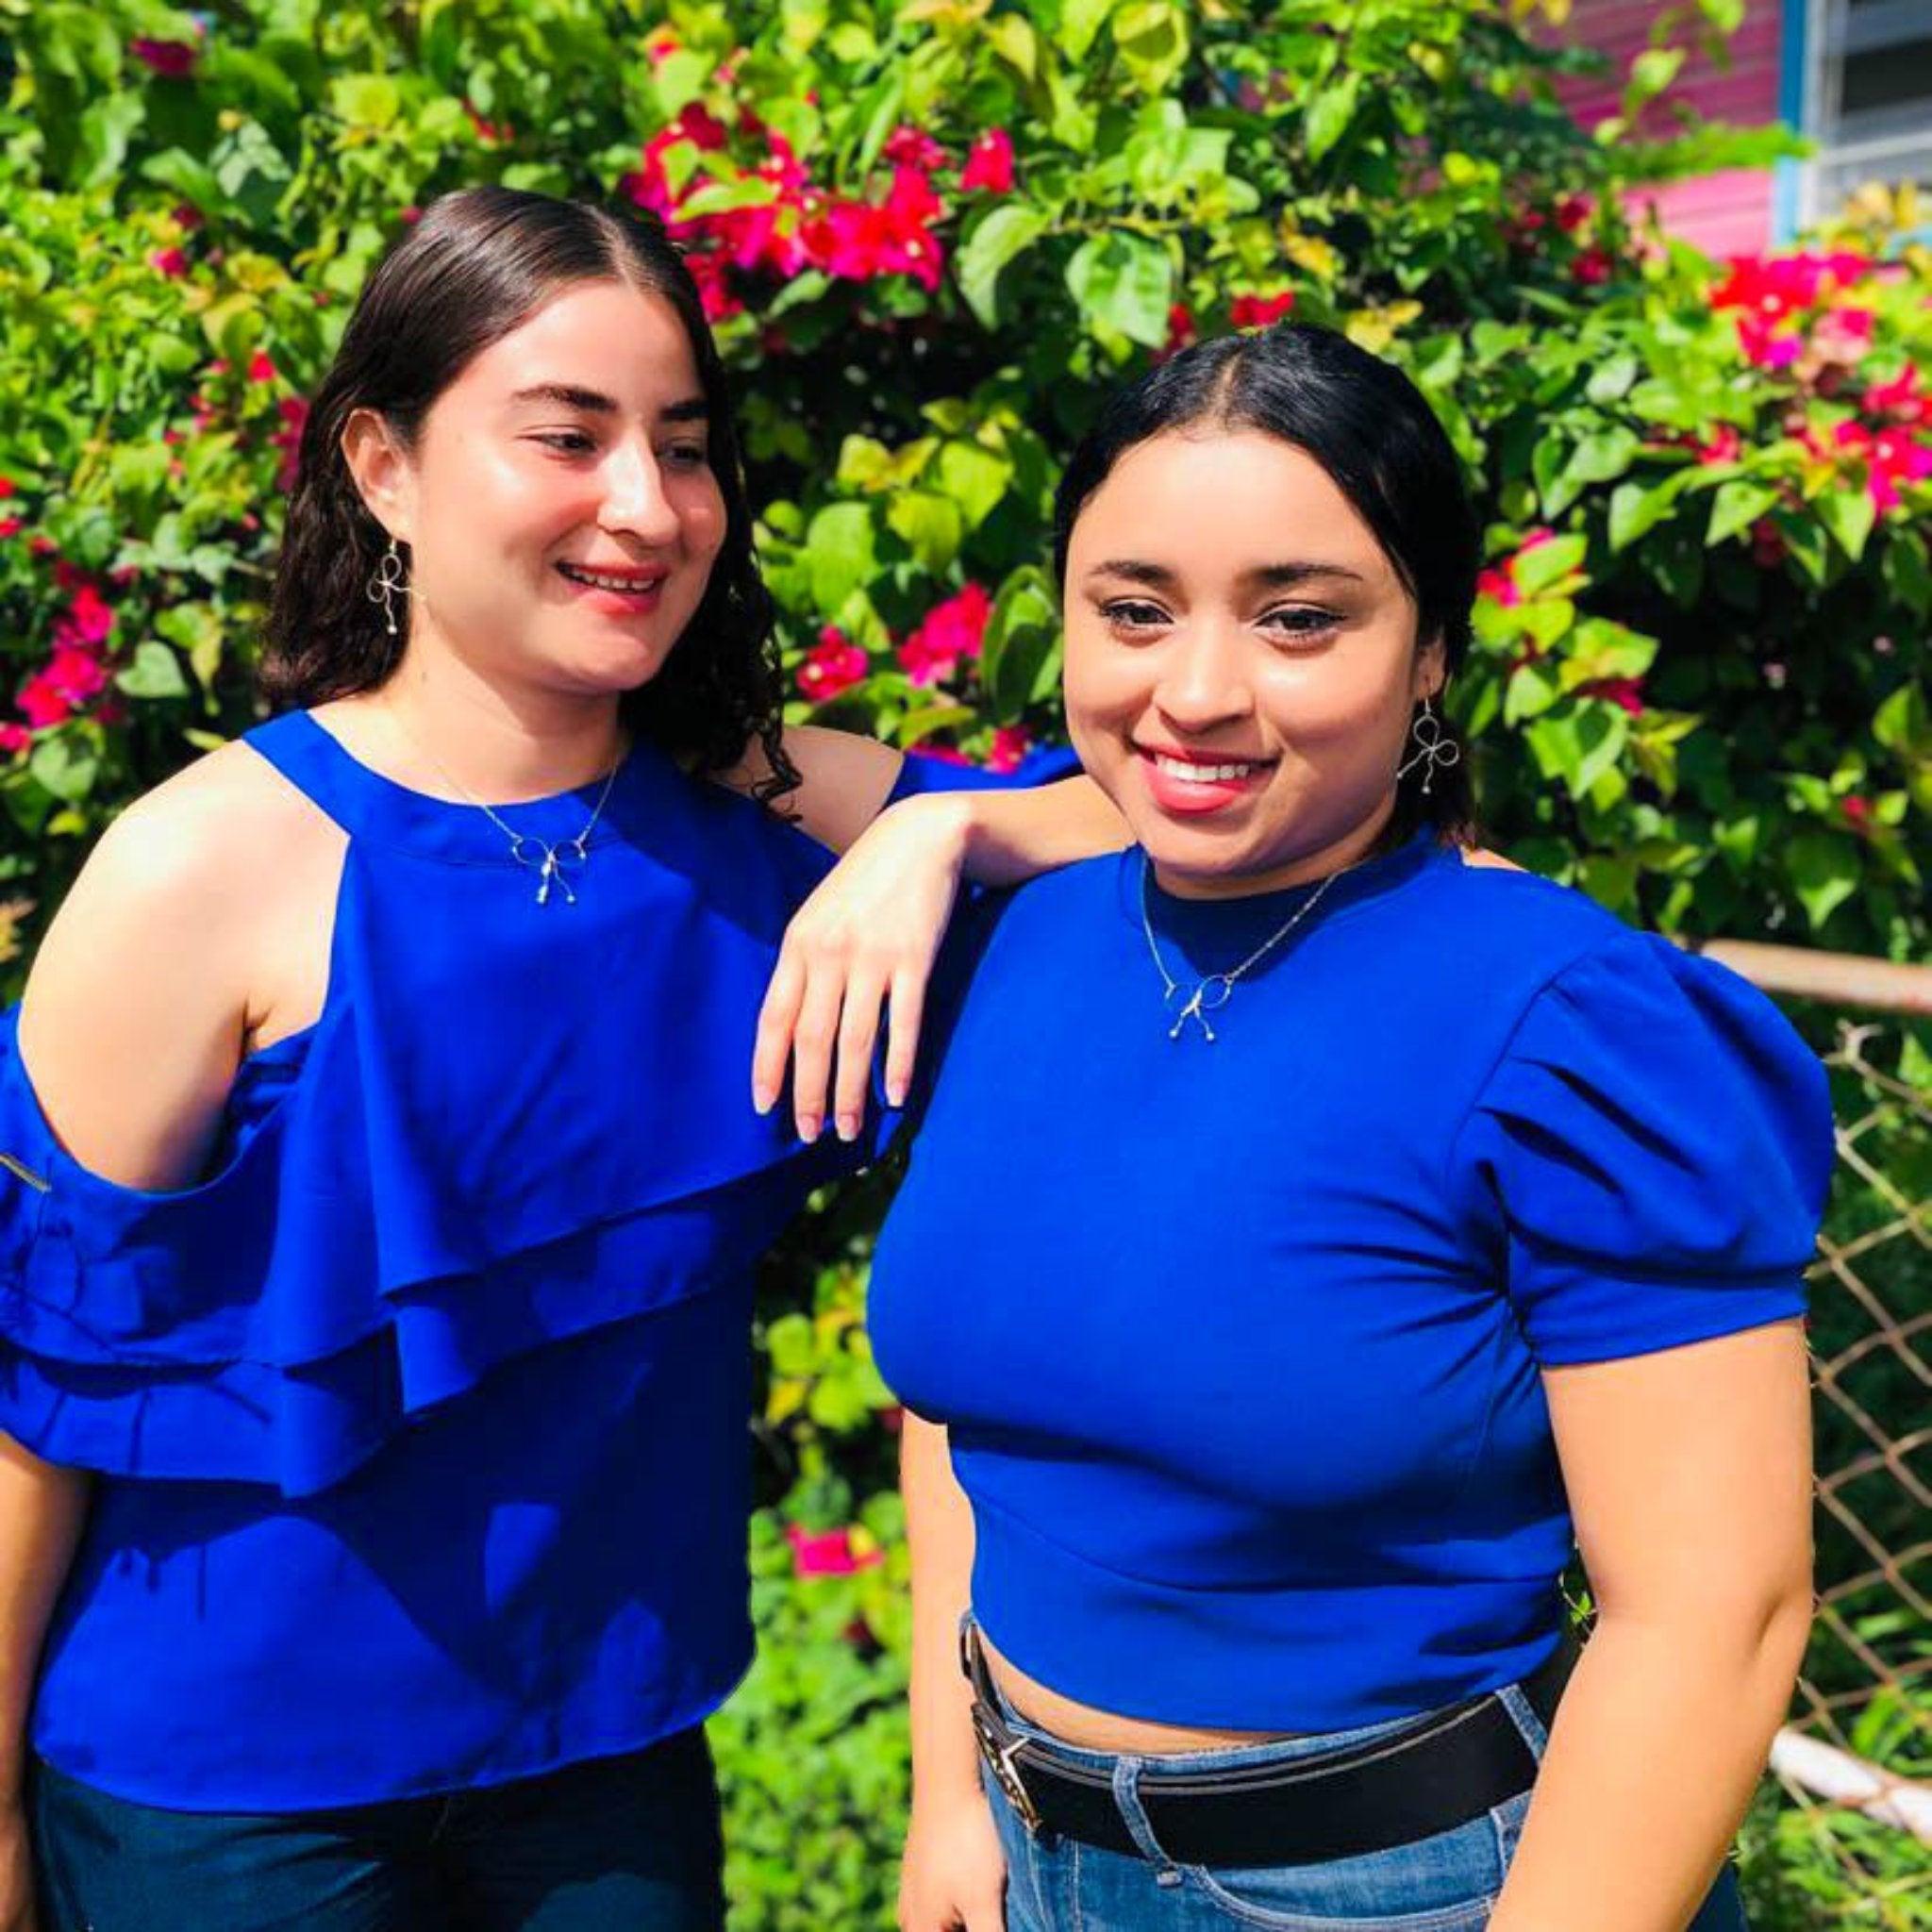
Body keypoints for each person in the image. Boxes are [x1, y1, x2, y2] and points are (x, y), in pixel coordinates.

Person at [0, 186, 1120, 1932]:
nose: (647, 506)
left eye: (682, 445)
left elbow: (1184, 823)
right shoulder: (191, 869)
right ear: (383, 465)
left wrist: (938, 831)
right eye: (568, 436)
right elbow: (32, 1393)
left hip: (608, 1770)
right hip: (221, 1811)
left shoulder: (760, 810)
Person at [873, 323, 1832, 1932]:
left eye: (1300, 618)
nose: (1197, 692)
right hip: (1035, 1854)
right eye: (1134, 610)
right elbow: (964, 1416)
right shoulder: (1019, 940)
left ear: (1431, 650)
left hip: (1415, 1886)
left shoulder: (1572, 1024)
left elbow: (1713, 1617)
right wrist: (949, 1795)